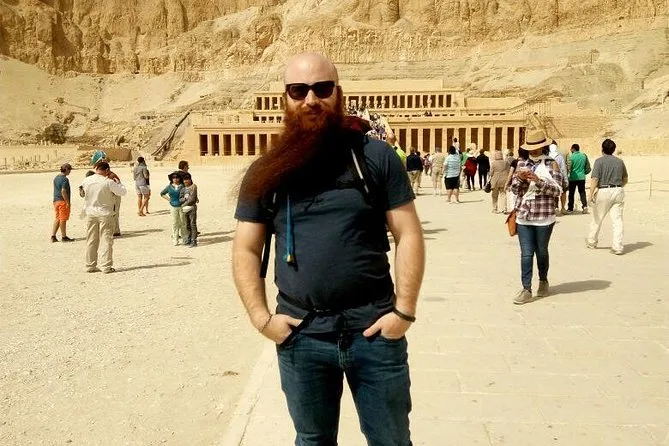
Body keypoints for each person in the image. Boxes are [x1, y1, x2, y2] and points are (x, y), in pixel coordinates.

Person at [232, 52, 424, 445]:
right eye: (298, 90)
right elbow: (246, 249)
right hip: (302, 334)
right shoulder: (267, 171)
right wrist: (261, 319)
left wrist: (403, 311)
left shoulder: (373, 157)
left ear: (338, 93)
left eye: (322, 89)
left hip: (373, 331)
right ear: (284, 98)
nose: (311, 100)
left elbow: (408, 233)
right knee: (312, 440)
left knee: (391, 440)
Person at [510, 130, 565, 304]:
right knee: (526, 254)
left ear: (543, 146)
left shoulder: (552, 164)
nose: (534, 150)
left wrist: (538, 180)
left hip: (544, 216)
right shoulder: (521, 163)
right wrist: (520, 179)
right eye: (531, 147)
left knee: (541, 251)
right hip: (524, 215)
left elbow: (557, 190)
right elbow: (514, 190)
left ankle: (543, 280)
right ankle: (526, 289)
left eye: (537, 147)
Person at [80, 161, 127, 273]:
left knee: (91, 240)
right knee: (106, 240)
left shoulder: (86, 180)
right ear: (107, 170)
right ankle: (106, 266)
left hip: (91, 213)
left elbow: (82, 193)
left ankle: (90, 265)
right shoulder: (108, 182)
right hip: (105, 213)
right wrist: (118, 183)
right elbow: (122, 192)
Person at [587, 139, 628, 255]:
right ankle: (617, 246)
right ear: (614, 149)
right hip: (618, 190)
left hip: (604, 190)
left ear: (602, 149)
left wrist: (590, 195)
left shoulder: (599, 161)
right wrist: (618, 187)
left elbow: (595, 179)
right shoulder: (620, 162)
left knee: (597, 218)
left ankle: (592, 241)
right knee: (617, 220)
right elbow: (625, 179)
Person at [91, 150, 122, 236]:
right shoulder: (103, 175)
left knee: (114, 213)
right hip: (107, 197)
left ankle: (115, 230)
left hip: (114, 197)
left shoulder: (111, 176)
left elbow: (115, 188)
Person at [160, 172, 186, 246]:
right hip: (173, 206)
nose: (175, 179)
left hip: (182, 206)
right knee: (175, 222)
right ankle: (175, 238)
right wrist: (169, 199)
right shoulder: (169, 187)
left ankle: (184, 238)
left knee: (183, 222)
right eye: (173, 177)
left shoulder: (183, 186)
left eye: (177, 177)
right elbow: (162, 193)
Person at [51, 163, 75, 242]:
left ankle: (53, 236)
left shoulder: (56, 178)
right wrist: (67, 202)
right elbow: (63, 191)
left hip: (56, 200)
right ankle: (64, 237)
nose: (70, 172)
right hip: (62, 201)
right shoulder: (65, 179)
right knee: (63, 219)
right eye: (69, 170)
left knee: (57, 218)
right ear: (66, 169)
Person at [566, 143, 589, 213]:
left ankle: (570, 208)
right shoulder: (584, 156)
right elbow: (587, 167)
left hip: (573, 177)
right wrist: (583, 173)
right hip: (582, 177)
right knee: (582, 192)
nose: (570, 150)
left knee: (571, 193)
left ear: (573, 149)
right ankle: (585, 206)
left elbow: (569, 168)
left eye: (571, 149)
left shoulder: (571, 157)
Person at [179, 173, 198, 247]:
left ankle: (194, 240)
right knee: (187, 224)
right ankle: (189, 239)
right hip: (185, 209)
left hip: (192, 207)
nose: (186, 181)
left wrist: (183, 205)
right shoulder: (183, 189)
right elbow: (180, 199)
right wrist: (184, 199)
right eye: (184, 180)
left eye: (187, 179)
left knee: (193, 224)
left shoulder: (193, 187)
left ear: (190, 180)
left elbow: (192, 199)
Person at [549, 143, 568, 215]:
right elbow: (563, 169)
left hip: (551, 178)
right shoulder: (560, 157)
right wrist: (565, 179)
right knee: (563, 192)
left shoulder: (548, 157)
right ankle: (563, 208)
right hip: (560, 177)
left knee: (553, 192)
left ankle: (555, 207)